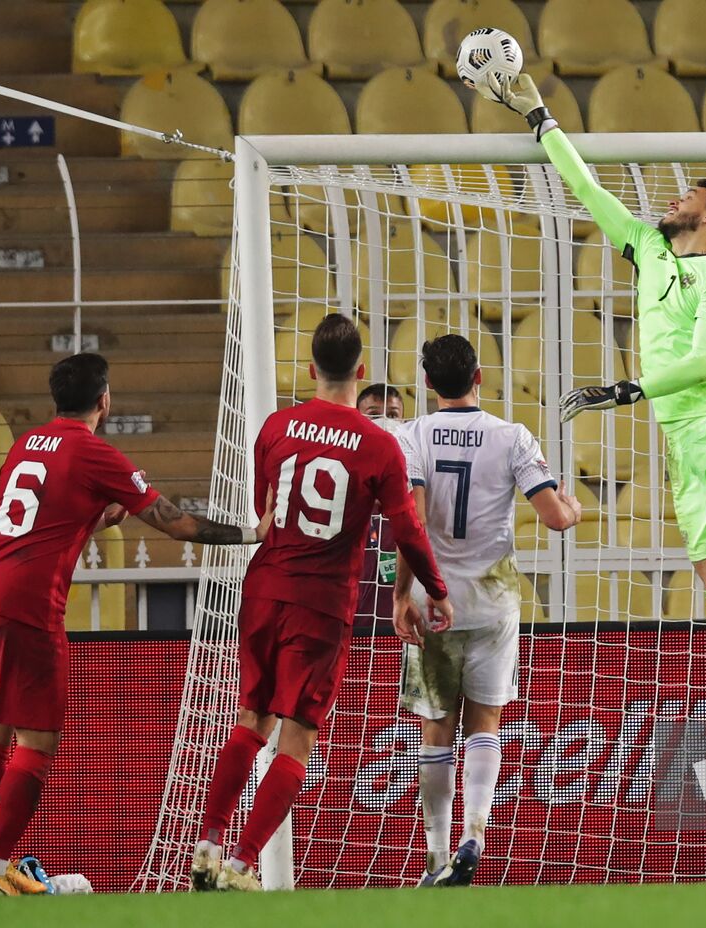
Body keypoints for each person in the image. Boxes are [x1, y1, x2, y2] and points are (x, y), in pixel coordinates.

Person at [490, 73, 706, 693]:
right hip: (682, 445)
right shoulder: (646, 247)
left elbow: (704, 362)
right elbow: (584, 185)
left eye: (687, 193)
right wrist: (538, 116)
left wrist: (626, 389)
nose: (672, 198)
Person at [0, 352, 267, 896]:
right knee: (38, 739)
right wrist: (251, 532)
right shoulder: (98, 453)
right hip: (27, 605)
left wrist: (97, 518)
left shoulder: (26, 444)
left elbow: (32, 521)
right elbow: (178, 523)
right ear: (105, 400)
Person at [192, 315, 451, 891]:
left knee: (249, 718)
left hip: (262, 590)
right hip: (321, 603)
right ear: (361, 373)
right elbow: (408, 530)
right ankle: (240, 865)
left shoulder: (276, 427)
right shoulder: (380, 445)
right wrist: (433, 589)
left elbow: (264, 511)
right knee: (298, 736)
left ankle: (207, 844)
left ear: (311, 369)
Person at [395, 335, 581, 886]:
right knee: (484, 723)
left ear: (427, 384)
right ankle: (475, 834)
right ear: (479, 377)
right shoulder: (512, 436)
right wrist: (570, 504)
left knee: (435, 731)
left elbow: (413, 521)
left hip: (436, 598)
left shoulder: (413, 436)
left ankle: (434, 857)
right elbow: (554, 518)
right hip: (495, 599)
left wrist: (404, 592)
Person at [355, 383, 406, 626]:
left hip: (401, 628)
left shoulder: (414, 494)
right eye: (374, 414)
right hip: (349, 626)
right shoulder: (341, 487)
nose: (384, 421)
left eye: (393, 415)